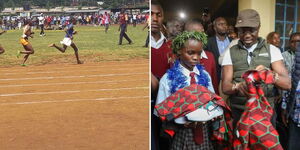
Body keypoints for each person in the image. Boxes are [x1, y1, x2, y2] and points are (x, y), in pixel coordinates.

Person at [221, 9, 291, 128]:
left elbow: (287, 84)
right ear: (238, 30)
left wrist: (270, 75)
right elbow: (225, 87)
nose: (247, 35)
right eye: (242, 30)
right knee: (240, 145)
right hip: (239, 111)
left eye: (252, 30)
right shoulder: (230, 52)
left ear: (259, 27)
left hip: (265, 112)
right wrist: (237, 86)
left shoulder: (272, 50)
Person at [156, 31, 217, 150]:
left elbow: (212, 100)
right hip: (181, 132)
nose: (196, 57)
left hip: (203, 131)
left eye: (199, 53)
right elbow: (161, 111)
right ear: (179, 52)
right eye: (190, 53)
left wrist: (213, 114)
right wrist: (177, 120)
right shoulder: (168, 79)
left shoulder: (204, 75)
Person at [185, 19, 219, 94]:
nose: (204, 36)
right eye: (199, 33)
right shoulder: (178, 58)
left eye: (203, 32)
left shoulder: (210, 56)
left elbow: (214, 83)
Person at [280, 32, 300, 150]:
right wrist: (285, 108)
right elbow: (290, 86)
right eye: (294, 41)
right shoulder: (295, 64)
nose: (296, 45)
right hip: (295, 116)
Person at [206, 17, 231, 87]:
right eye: (220, 24)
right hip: (215, 77)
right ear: (214, 28)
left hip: (231, 77)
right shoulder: (208, 42)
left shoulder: (233, 41)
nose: (223, 26)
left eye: (225, 24)